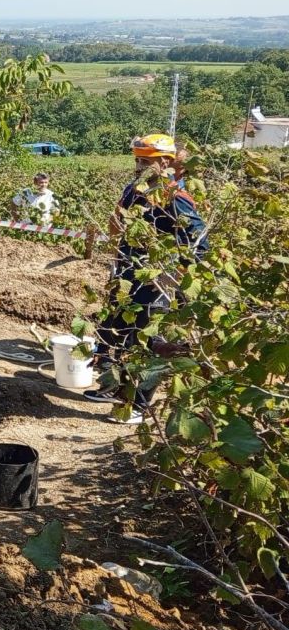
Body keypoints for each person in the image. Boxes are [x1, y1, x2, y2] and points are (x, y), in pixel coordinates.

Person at [85, 134, 207, 423]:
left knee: (156, 343)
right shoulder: (136, 190)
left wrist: (176, 278)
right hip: (130, 277)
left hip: (159, 282)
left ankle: (140, 405)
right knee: (127, 336)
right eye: (137, 160)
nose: (139, 166)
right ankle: (123, 395)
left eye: (145, 161)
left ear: (165, 162)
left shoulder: (177, 199)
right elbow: (116, 225)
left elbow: (199, 245)